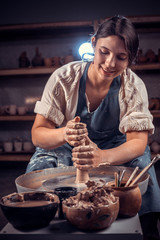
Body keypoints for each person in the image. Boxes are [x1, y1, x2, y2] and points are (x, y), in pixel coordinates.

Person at [26, 16, 160, 239]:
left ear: (130, 59)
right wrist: (64, 133)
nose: (110, 63)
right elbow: (38, 135)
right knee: (40, 167)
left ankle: (148, 229)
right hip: (67, 146)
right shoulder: (63, 78)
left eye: (121, 57)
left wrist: (101, 157)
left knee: (142, 167)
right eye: (104, 52)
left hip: (114, 147)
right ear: (93, 43)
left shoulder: (133, 85)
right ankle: (44, 223)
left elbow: (138, 143)